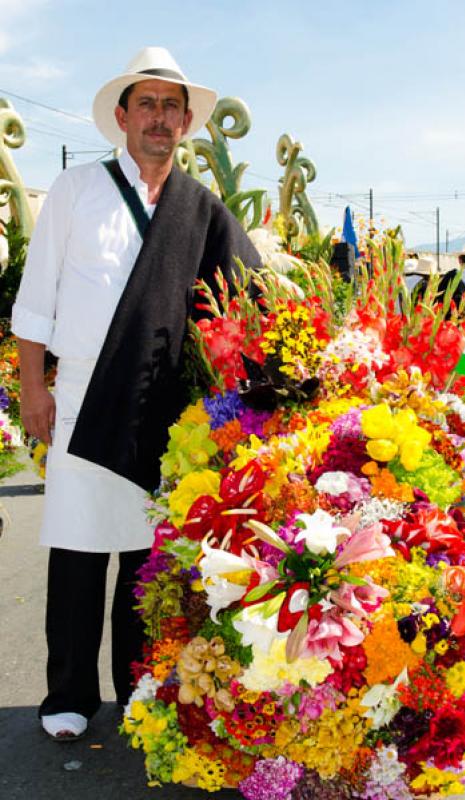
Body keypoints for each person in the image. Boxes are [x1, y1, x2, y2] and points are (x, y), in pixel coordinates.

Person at [11, 46, 260, 740]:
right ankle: (67, 695)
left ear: (186, 123)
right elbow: (37, 301)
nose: (159, 117)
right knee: (78, 546)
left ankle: (140, 688)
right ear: (122, 117)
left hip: (165, 406)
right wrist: (34, 385)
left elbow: (249, 301)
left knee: (147, 557)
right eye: (146, 103)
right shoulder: (75, 191)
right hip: (85, 392)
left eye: (170, 106)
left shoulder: (204, 211)